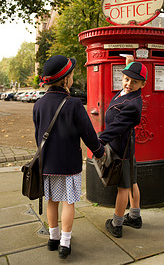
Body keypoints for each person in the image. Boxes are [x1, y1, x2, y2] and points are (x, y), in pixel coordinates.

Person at [33, 55, 104, 259]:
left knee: (52, 201)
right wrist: (99, 152)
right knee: (68, 203)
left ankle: (53, 238)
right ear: (65, 80)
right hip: (69, 165)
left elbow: (38, 135)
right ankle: (65, 243)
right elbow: (89, 134)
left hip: (47, 164)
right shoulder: (73, 104)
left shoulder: (38, 105)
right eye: (71, 75)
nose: (72, 78)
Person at [98, 56, 147, 238]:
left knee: (123, 187)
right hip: (126, 147)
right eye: (126, 79)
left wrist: (99, 143)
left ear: (142, 84)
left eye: (134, 82)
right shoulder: (126, 93)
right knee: (132, 181)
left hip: (121, 149)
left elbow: (116, 127)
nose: (128, 84)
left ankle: (116, 224)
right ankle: (135, 216)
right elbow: (127, 82)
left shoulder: (132, 105)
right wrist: (130, 63)